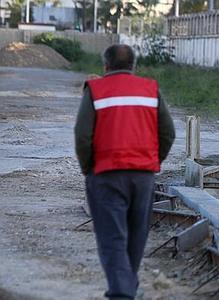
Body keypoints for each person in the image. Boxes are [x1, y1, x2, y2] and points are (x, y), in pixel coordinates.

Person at [74, 44, 175, 299]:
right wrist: (153, 162)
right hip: (143, 176)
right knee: (136, 236)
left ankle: (122, 293)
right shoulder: (150, 89)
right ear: (133, 66)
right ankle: (129, 287)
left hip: (106, 175)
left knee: (112, 237)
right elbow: (168, 133)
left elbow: (82, 135)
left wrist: (89, 169)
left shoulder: (95, 90)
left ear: (105, 66)